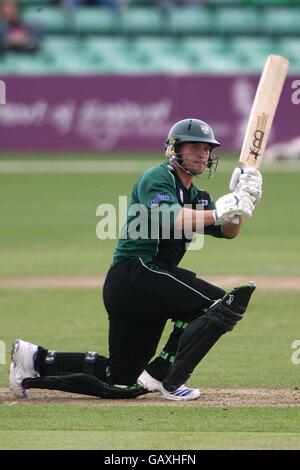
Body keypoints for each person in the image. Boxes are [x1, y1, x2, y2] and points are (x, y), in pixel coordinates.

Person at [9, 118, 262, 401]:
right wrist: (219, 212)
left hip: (144, 287)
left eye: (207, 149)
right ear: (174, 149)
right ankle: (165, 377)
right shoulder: (158, 178)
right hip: (134, 274)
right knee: (217, 305)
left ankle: (33, 360)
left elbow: (229, 232)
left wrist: (242, 200)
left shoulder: (197, 196)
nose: (203, 154)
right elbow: (170, 218)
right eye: (194, 147)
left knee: (119, 377)